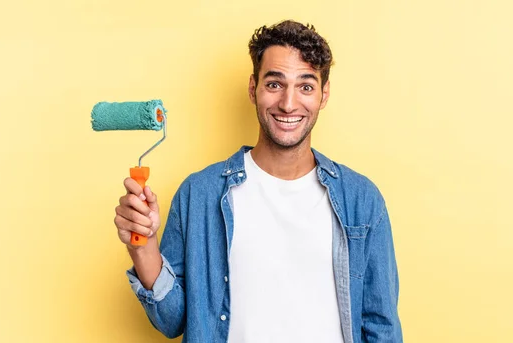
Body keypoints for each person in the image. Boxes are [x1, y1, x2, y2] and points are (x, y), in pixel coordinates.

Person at [114, 20, 403, 343]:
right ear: (253, 89)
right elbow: (172, 321)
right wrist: (144, 247)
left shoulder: (361, 200)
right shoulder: (199, 194)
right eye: (275, 84)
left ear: (324, 95)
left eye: (306, 86)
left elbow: (382, 328)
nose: (289, 104)